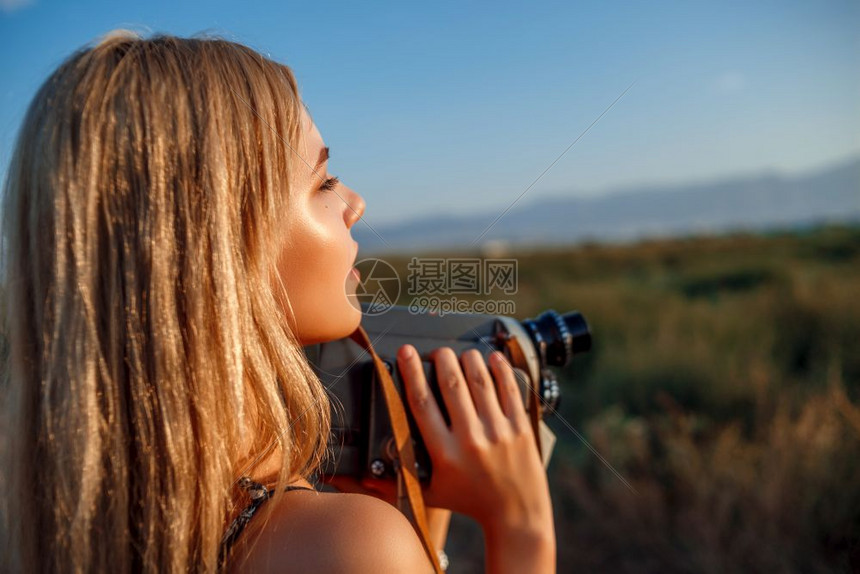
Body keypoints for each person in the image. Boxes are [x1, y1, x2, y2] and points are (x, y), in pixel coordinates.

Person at [0, 30, 555, 573]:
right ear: (218, 253)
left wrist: (418, 509)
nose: (354, 202)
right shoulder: (350, 548)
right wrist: (520, 522)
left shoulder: (74, 517)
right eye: (323, 182)